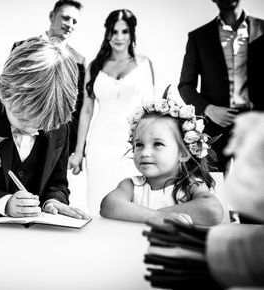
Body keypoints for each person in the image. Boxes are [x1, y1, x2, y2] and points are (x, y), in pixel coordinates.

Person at [0, 38, 89, 219]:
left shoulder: (59, 126)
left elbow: (57, 183)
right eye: (25, 119)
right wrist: (3, 203)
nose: (33, 129)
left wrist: (53, 201)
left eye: (43, 124)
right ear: (7, 92)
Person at [68, 9, 155, 215]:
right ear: (107, 33)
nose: (118, 37)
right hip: (100, 144)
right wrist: (79, 151)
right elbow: (87, 110)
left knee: (134, 201)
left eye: (124, 32)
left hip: (132, 142)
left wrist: (150, 145)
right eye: (114, 32)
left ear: (132, 34)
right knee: (98, 198)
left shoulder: (144, 64)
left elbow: (150, 108)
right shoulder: (95, 66)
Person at [100, 99, 224, 226]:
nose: (145, 153)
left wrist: (152, 215)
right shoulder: (131, 185)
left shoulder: (191, 186)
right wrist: (156, 217)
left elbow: (213, 211)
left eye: (157, 144)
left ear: (184, 153)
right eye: (139, 144)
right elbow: (107, 205)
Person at [178, 0, 264, 173]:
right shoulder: (199, 37)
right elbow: (185, 85)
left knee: (254, 193)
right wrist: (208, 109)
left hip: (257, 126)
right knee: (212, 190)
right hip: (214, 130)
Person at [11, 0, 86, 154]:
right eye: (65, 18)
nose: (70, 24)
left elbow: (76, 107)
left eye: (75, 21)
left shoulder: (78, 60)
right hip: (19, 133)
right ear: (52, 16)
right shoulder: (21, 47)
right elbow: (9, 90)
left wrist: (72, 150)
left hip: (55, 141)